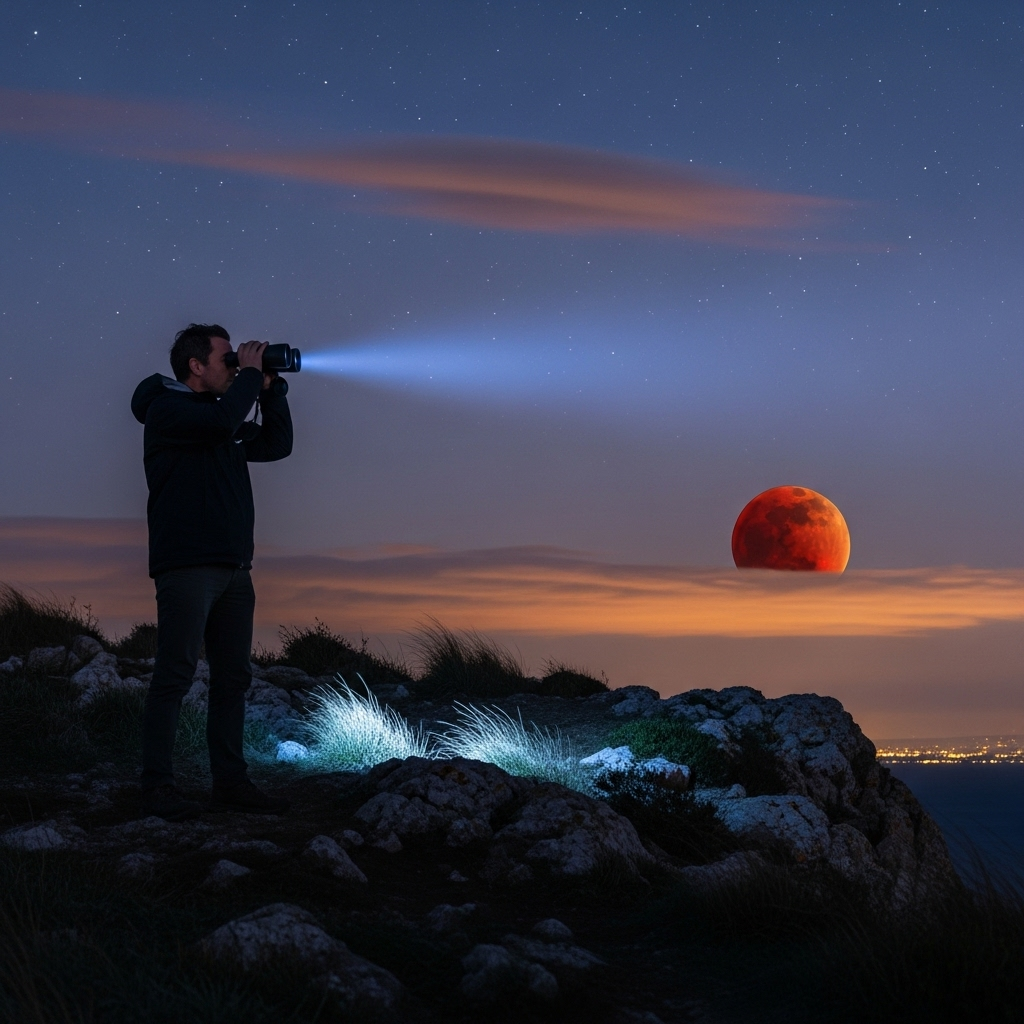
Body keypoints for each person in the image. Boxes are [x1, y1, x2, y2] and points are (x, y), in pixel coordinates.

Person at [130, 324, 293, 821]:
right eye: (227, 359)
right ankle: (157, 787)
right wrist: (247, 377)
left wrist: (273, 390)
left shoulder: (220, 418)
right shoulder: (168, 410)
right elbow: (222, 422)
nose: (235, 366)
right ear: (196, 366)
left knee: (232, 678)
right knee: (175, 673)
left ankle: (231, 782)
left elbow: (277, 445)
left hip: (233, 568)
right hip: (187, 564)